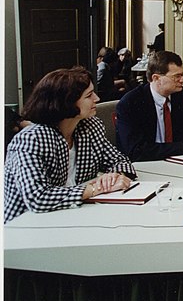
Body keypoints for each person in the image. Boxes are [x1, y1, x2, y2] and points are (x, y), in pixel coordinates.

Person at [4, 67, 136, 222]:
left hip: (71, 215)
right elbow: (37, 198)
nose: (97, 99)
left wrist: (114, 176)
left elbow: (120, 161)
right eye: (88, 95)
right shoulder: (31, 139)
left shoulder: (89, 126)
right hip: (24, 226)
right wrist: (95, 189)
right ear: (66, 102)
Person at [116, 50, 183, 161]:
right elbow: (135, 151)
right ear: (156, 78)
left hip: (179, 162)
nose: (182, 80)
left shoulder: (182, 95)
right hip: (144, 167)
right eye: (177, 76)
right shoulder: (130, 103)